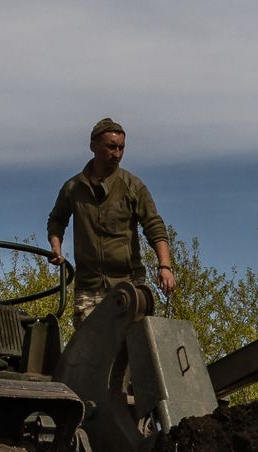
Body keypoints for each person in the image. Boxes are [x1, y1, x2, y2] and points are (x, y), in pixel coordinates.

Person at [47, 117, 176, 318]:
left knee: (135, 337)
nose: (117, 154)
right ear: (93, 146)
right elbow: (57, 220)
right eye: (111, 147)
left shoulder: (133, 186)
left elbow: (154, 226)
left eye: (121, 148)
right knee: (88, 337)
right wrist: (56, 247)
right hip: (89, 287)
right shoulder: (73, 188)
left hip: (129, 284)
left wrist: (165, 266)